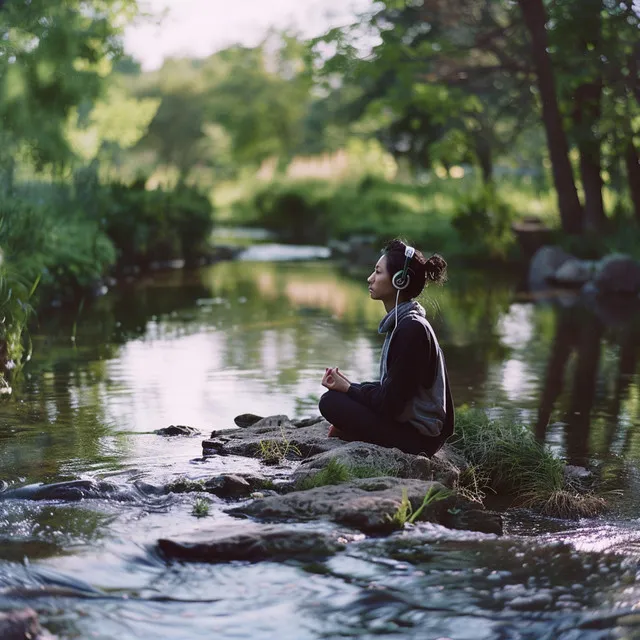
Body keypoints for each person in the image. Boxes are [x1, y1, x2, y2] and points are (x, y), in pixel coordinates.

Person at [319, 238, 454, 457]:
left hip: (418, 440)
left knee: (330, 402)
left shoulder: (411, 330)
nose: (370, 278)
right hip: (415, 431)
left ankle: (356, 433)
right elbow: (394, 390)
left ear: (399, 281)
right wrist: (350, 386)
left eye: (378, 272)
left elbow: (390, 405)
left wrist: (349, 390)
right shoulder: (405, 323)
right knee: (342, 397)